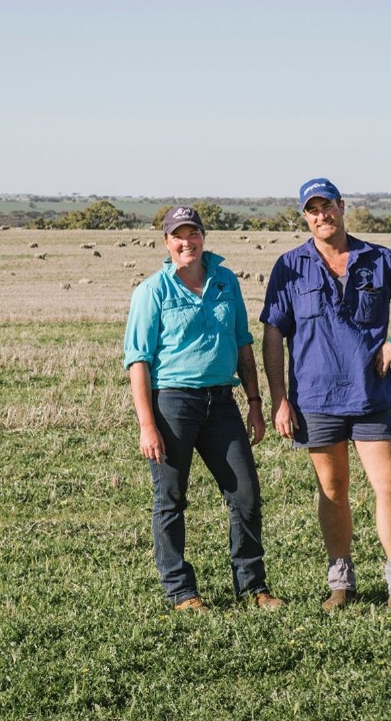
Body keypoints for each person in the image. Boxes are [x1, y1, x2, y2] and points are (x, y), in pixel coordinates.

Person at [260, 178, 391, 614]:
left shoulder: (377, 259)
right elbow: (272, 333)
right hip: (315, 398)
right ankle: (340, 581)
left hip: (371, 393)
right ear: (305, 217)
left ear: (342, 208)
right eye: (313, 209)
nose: (322, 215)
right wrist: (279, 399)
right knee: (333, 488)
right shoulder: (290, 266)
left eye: (328, 206)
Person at [124, 205, 284, 612]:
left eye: (192, 234)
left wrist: (254, 402)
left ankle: (253, 587)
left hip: (222, 402)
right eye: (178, 236)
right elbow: (138, 360)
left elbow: (243, 343)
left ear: (203, 238)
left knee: (245, 492)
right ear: (166, 243)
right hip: (172, 403)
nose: (186, 242)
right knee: (171, 498)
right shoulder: (152, 291)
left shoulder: (226, 282)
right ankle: (181, 591)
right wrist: (147, 424)